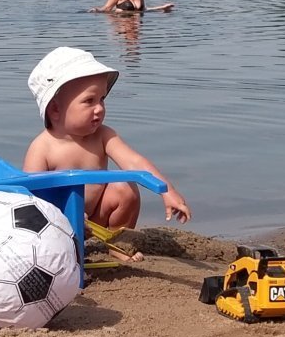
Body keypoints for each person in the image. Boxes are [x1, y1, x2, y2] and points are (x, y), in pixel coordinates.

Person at [23, 47, 190, 244]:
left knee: (125, 186)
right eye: (89, 101)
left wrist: (166, 191)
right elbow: (29, 199)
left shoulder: (103, 135)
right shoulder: (43, 147)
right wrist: (63, 217)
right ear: (55, 109)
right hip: (56, 225)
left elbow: (134, 162)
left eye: (102, 99)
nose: (99, 108)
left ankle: (116, 243)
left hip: (96, 220)